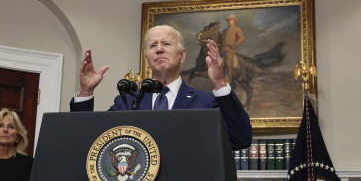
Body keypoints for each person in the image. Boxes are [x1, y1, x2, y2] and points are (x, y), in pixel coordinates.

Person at [70, 25, 252, 150]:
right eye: (153, 45)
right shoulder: (127, 101)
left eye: (166, 44)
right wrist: (86, 92)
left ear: (182, 56)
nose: (159, 49)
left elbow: (240, 138)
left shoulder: (206, 102)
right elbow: (88, 142)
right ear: (147, 59)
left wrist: (219, 83)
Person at [222, 14, 245, 84]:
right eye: (229, 21)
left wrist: (234, 45)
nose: (229, 22)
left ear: (234, 21)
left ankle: (228, 79)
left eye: (231, 21)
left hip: (231, 49)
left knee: (228, 62)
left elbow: (242, 38)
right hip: (223, 49)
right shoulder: (224, 30)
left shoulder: (237, 29)